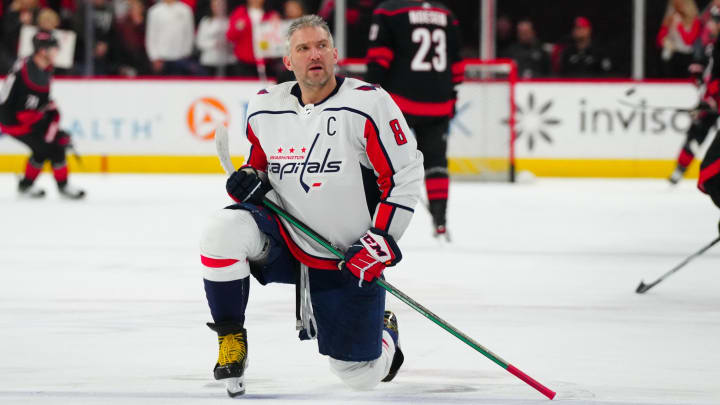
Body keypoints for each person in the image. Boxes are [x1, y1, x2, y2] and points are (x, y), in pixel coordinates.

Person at [200, 15, 423, 396]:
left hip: (345, 255)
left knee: (361, 375)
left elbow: (404, 174)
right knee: (222, 232)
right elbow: (260, 166)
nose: (313, 54)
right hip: (285, 239)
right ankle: (230, 339)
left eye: (321, 46)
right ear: (288, 62)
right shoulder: (265, 106)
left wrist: (380, 241)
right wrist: (249, 180)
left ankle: (384, 331)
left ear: (335, 54)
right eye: (303, 48)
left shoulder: (368, 103)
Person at [364, 0, 461, 240]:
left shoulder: (388, 10)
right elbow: (457, 61)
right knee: (437, 162)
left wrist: (368, 94)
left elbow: (380, 58)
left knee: (384, 163)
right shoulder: (445, 13)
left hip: (400, 103)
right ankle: (440, 221)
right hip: (438, 101)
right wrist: (453, 96)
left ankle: (377, 218)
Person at [0, 30, 85, 199]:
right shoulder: (34, 76)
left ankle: (26, 185)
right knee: (54, 148)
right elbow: (26, 114)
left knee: (42, 148)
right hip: (14, 122)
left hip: (15, 118)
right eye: (54, 48)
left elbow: (35, 106)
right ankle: (63, 186)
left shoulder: (33, 65)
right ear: (42, 51)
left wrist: (49, 121)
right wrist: (50, 127)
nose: (57, 52)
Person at [669, 6, 720, 184]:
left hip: (714, 98)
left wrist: (713, 96)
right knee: (697, 131)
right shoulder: (711, 44)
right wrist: (699, 77)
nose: (711, 25)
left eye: (715, 21)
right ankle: (680, 169)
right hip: (712, 99)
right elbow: (705, 70)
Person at [225, 0, 279, 78]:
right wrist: (238, 28)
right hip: (244, 62)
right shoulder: (240, 12)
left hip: (266, 61)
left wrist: (276, 23)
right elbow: (230, 36)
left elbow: (277, 38)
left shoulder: (271, 14)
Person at [146, 0, 198, 75]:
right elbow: (151, 36)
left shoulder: (185, 10)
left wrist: (186, 54)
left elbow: (189, 34)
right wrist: (154, 57)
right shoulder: (154, 11)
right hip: (161, 58)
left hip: (181, 58)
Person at [658, 0, 701, 78]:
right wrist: (665, 39)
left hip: (687, 57)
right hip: (672, 56)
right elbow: (659, 39)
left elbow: (689, 41)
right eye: (675, 4)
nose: (677, 6)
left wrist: (679, 26)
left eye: (680, 4)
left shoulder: (695, 20)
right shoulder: (671, 18)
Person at [196, 0, 236, 77]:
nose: (219, 7)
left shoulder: (230, 20)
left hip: (228, 61)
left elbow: (235, 41)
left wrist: (227, 43)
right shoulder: (206, 21)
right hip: (209, 61)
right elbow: (199, 42)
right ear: (211, 6)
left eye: (221, 4)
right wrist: (214, 44)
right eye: (216, 4)